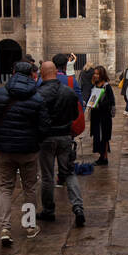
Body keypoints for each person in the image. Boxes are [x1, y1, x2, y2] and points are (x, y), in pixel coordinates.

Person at [31, 59, 85, 228]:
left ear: (42, 73)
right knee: (69, 173)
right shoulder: (68, 92)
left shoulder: (37, 94)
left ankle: (48, 210)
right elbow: (75, 113)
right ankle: (78, 208)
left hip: (46, 139)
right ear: (55, 72)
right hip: (65, 137)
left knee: (47, 176)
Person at [89, 65, 115, 166]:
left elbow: (111, 102)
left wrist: (100, 104)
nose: (95, 75)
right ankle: (102, 157)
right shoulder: (95, 85)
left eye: (97, 74)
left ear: (102, 74)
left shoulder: (107, 87)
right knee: (97, 136)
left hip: (104, 117)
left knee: (104, 137)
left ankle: (104, 158)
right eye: (94, 73)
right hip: (96, 116)